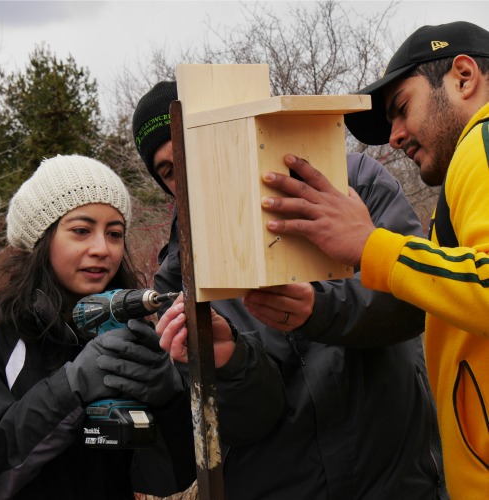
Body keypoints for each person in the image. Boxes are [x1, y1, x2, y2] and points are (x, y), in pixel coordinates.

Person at [131, 81, 448, 500]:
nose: (189, 175)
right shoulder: (180, 277)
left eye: (195, 146)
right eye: (170, 170)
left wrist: (319, 307)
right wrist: (229, 365)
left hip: (400, 483)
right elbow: (245, 424)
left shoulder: (353, 185)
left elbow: (417, 304)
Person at [257, 20, 489, 499]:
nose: (395, 136)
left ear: (463, 77)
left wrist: (369, 245)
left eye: (401, 109)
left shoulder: (483, 143)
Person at [0, 154, 188, 499]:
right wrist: (71, 387)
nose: (102, 249)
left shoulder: (125, 325)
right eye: (81, 231)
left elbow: (169, 480)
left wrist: (167, 398)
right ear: (41, 238)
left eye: (114, 234)